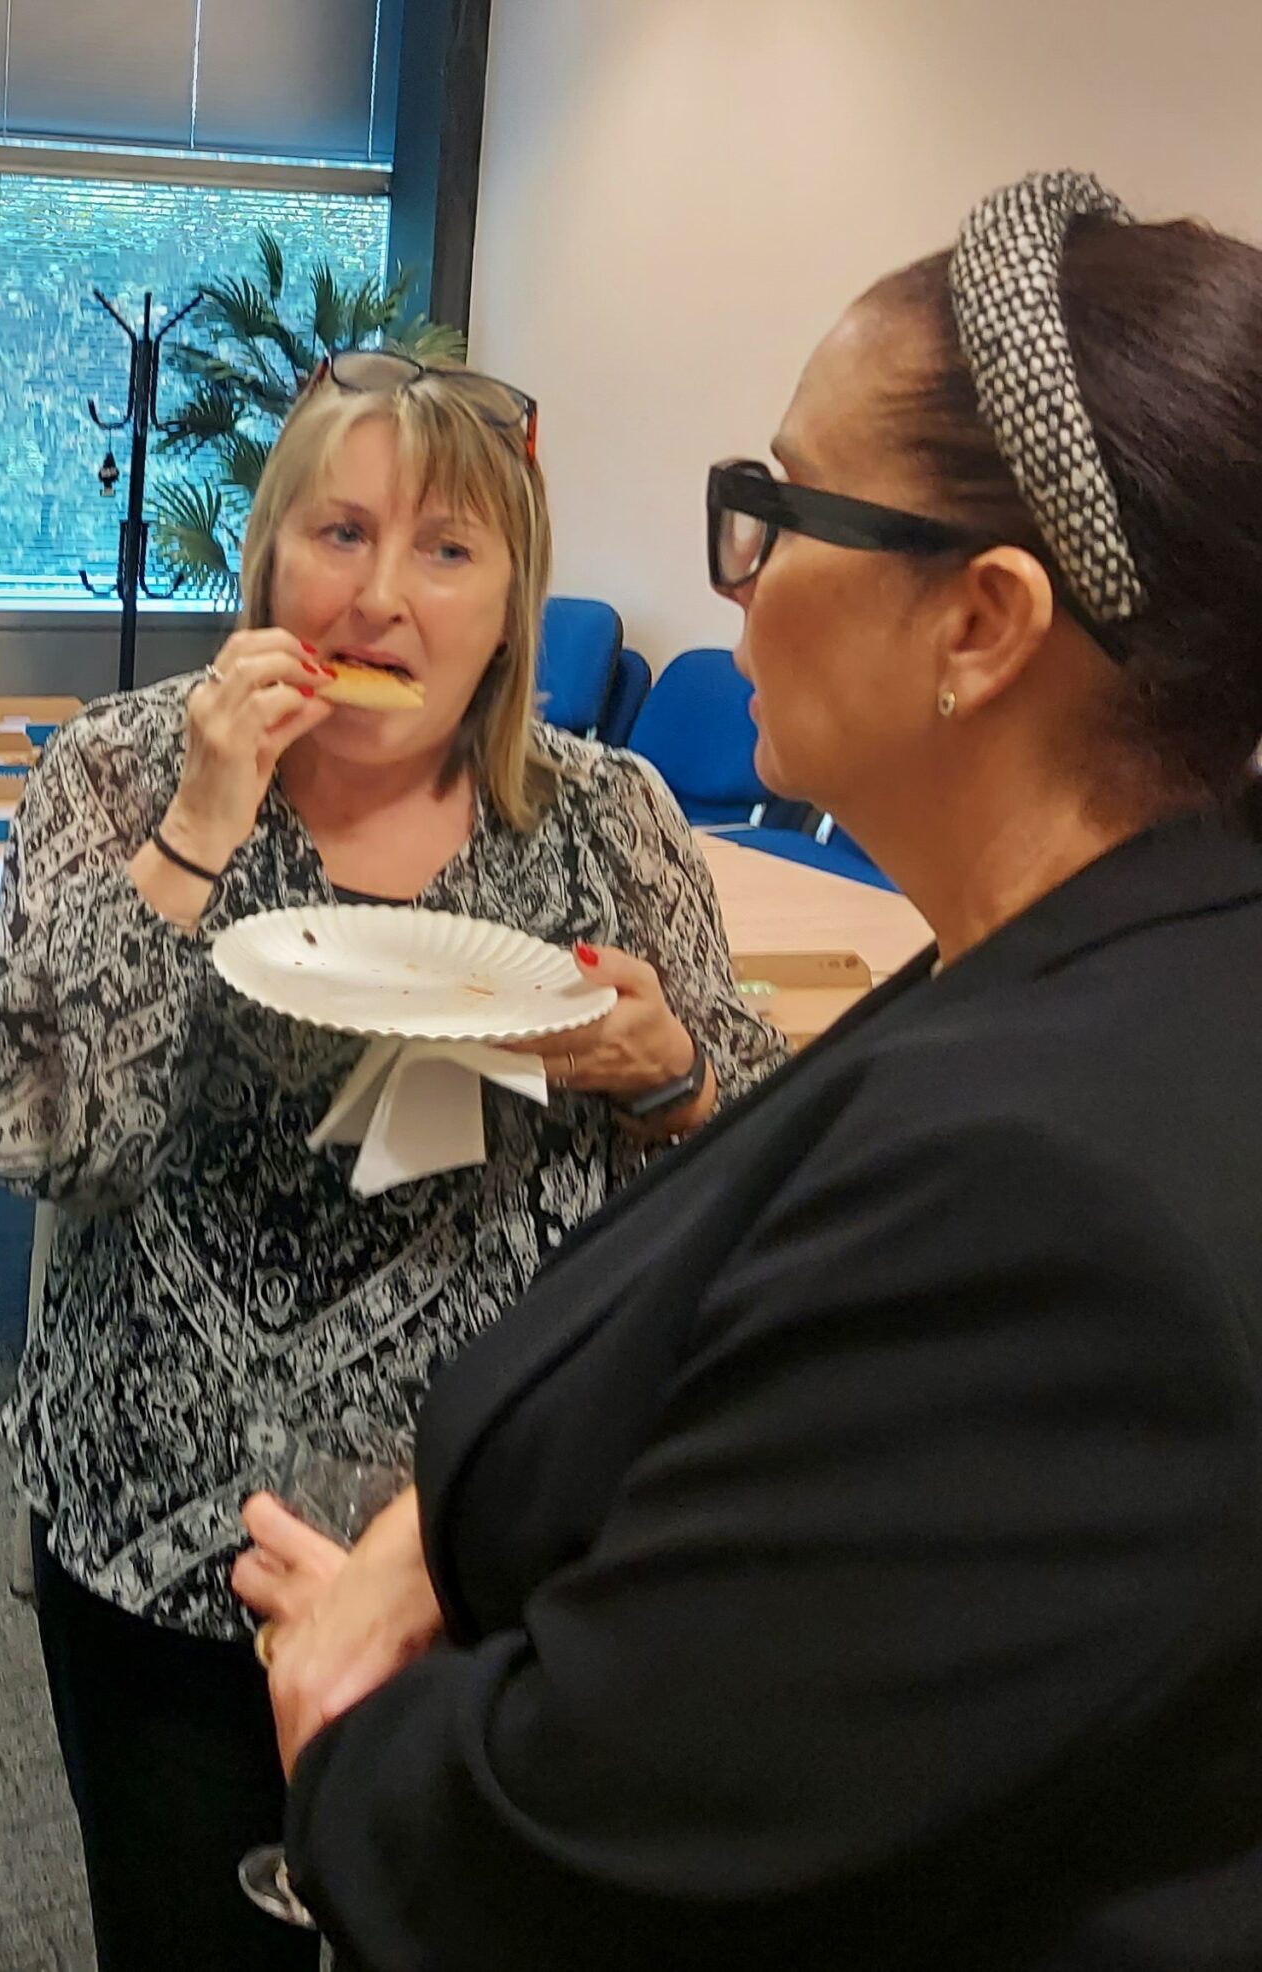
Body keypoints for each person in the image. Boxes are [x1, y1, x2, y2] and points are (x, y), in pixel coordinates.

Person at [234, 172, 1262, 1972]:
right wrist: (446, 1536)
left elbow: (579, 1853)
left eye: (775, 510)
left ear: (982, 623)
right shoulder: (1071, 961)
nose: (743, 581)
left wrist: (351, 1724)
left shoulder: (1051, 1206)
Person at [0, 349, 785, 1971]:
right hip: (164, 1528)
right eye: (339, 532)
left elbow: (757, 1157)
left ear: (513, 600)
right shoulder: (119, 772)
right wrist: (198, 825)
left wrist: (668, 1071)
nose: (381, 595)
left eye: (448, 548)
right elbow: (38, 1131)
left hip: (486, 1562)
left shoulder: (611, 821)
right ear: (270, 559)